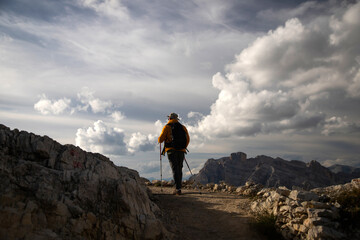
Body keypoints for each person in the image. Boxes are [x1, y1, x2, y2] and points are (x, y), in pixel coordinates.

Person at [158, 113, 190, 195]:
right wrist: (183, 147)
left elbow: (160, 140)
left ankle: (177, 189)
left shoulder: (167, 127)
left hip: (171, 150)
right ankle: (179, 187)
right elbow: (188, 139)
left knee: (175, 168)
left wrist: (160, 139)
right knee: (179, 168)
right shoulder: (183, 127)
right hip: (181, 151)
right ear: (177, 119)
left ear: (169, 118)